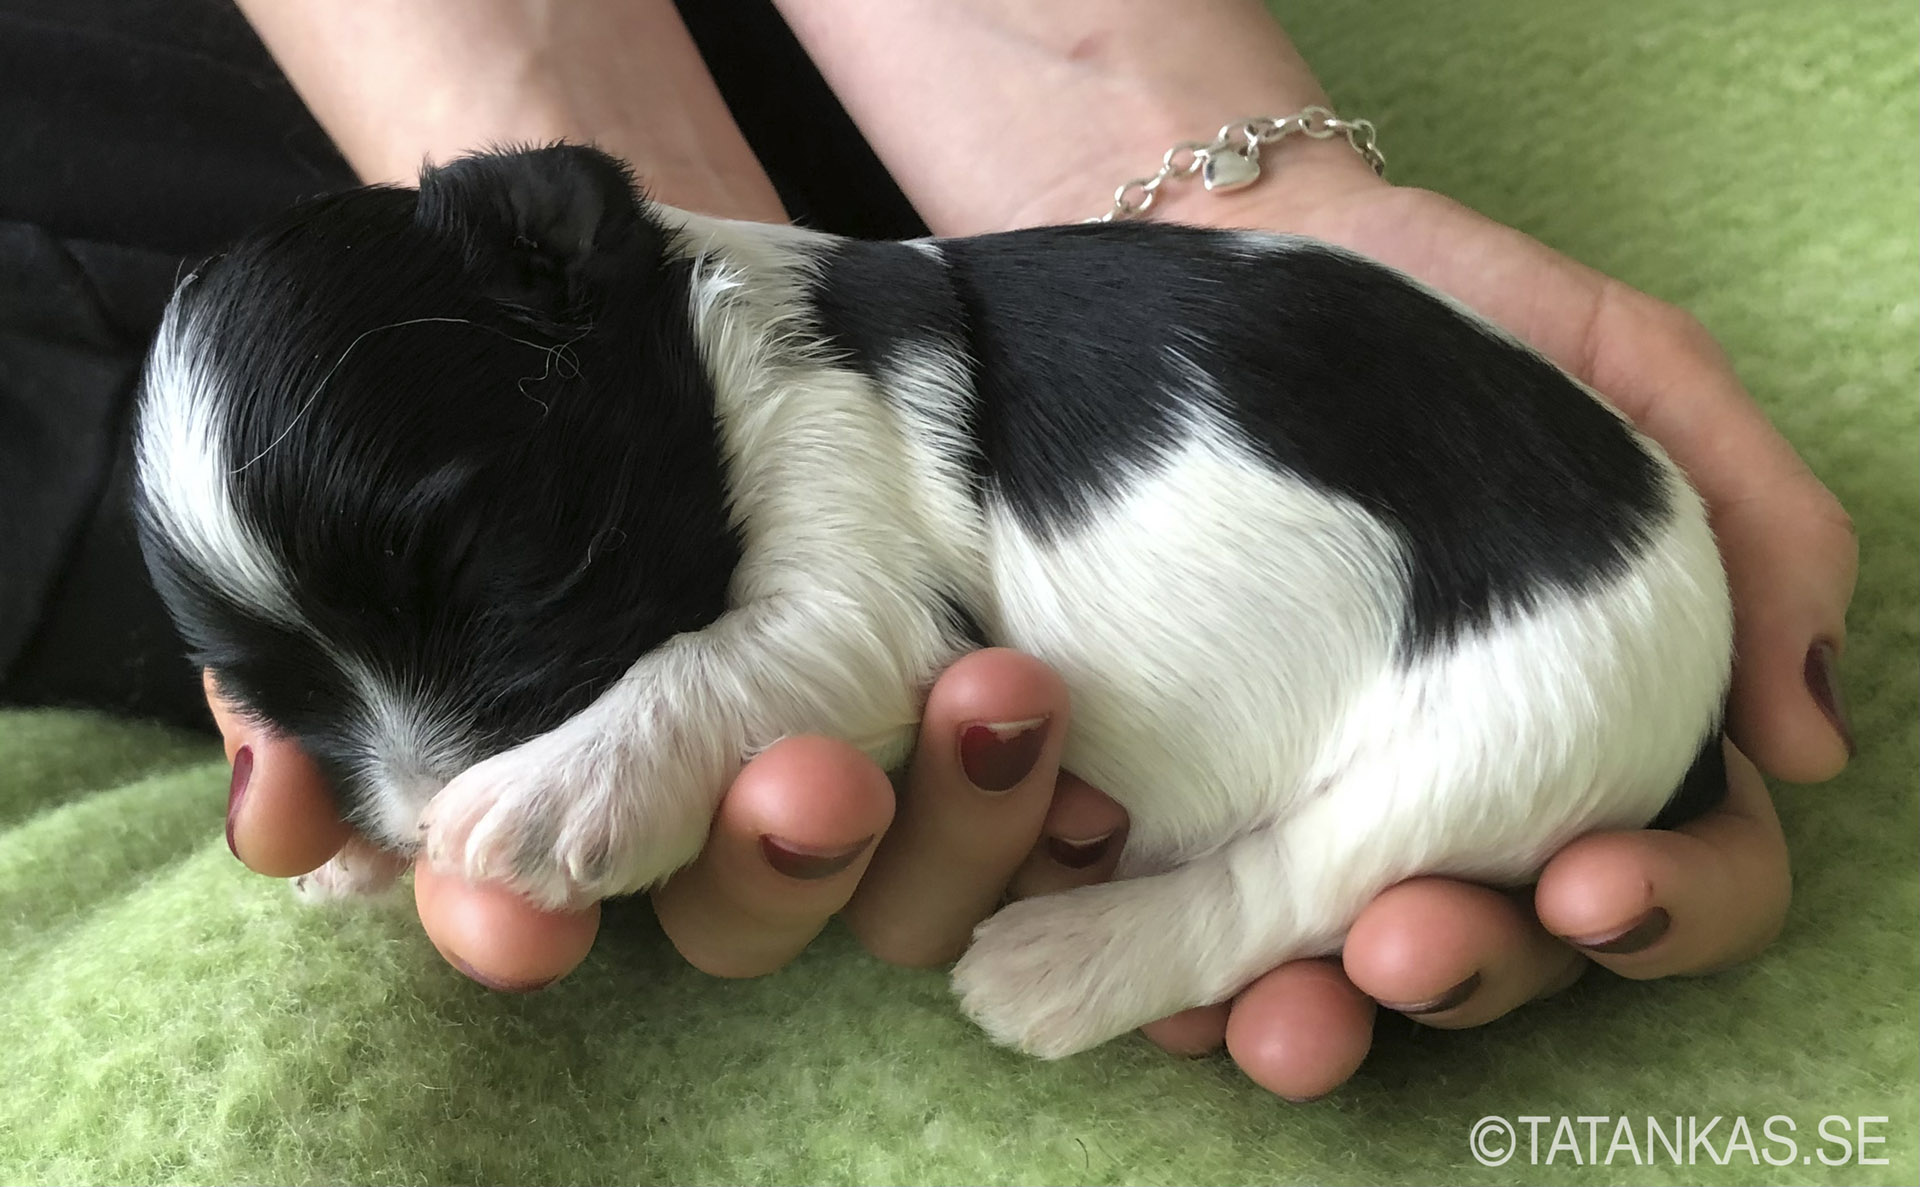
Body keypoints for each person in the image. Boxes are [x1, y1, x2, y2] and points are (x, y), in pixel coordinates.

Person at [0, 0, 1857, 1102]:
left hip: (1555, 615)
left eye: (449, 585)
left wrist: (615, 753)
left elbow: (847, 644)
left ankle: (1239, 903)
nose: (417, 771)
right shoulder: (652, 361)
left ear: (593, 299)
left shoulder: (818, 386)